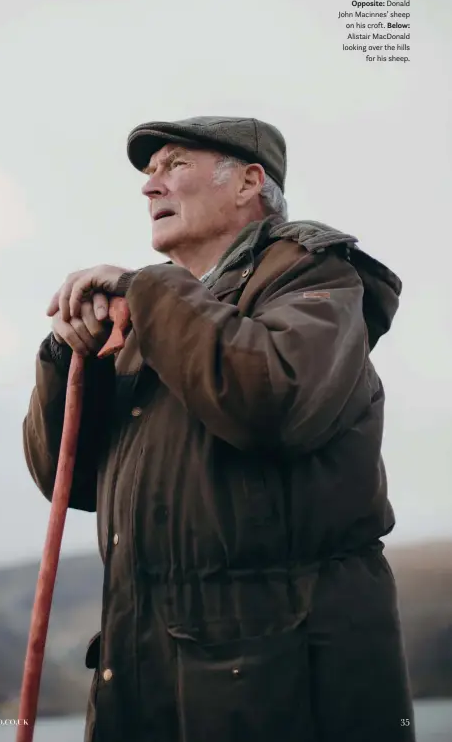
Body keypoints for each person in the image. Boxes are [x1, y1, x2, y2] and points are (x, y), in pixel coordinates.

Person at [22, 116, 416, 742]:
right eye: (149, 175)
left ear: (249, 183)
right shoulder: (157, 314)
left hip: (279, 691)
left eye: (173, 165)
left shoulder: (316, 278)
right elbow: (68, 481)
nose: (150, 188)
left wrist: (144, 290)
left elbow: (272, 403)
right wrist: (70, 356)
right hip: (145, 680)